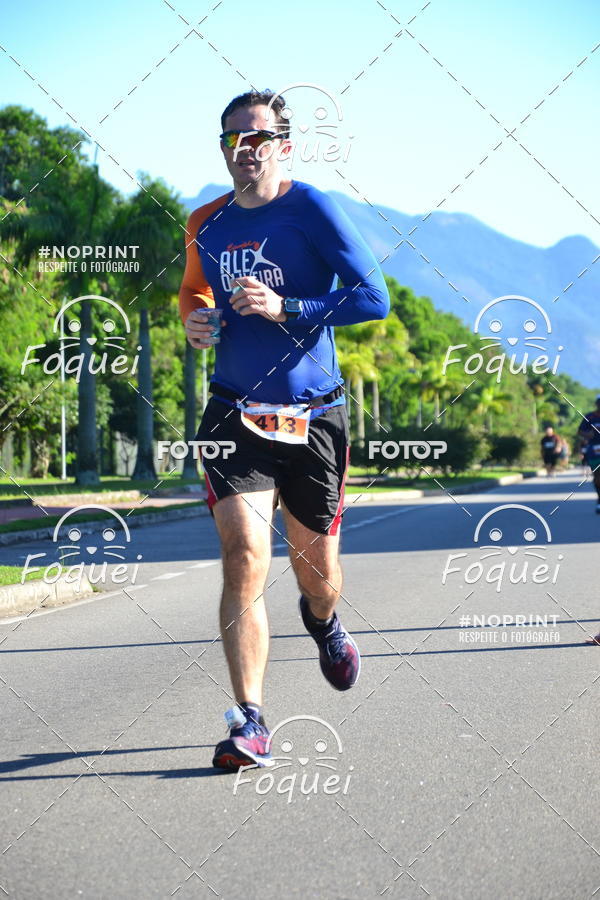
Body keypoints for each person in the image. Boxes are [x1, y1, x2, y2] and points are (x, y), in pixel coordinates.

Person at [178, 89, 389, 769]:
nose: (246, 149)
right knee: (244, 556)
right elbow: (193, 291)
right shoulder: (205, 223)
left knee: (315, 572)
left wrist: (288, 305)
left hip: (313, 416)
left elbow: (371, 297)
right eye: (234, 138)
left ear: (284, 145)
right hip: (233, 410)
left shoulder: (313, 209)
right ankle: (250, 720)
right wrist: (196, 320)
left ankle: (324, 622)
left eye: (258, 138)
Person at [577, 395, 600, 515]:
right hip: (594, 450)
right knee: (597, 477)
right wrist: (588, 434)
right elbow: (580, 431)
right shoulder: (589, 417)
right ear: (596, 403)